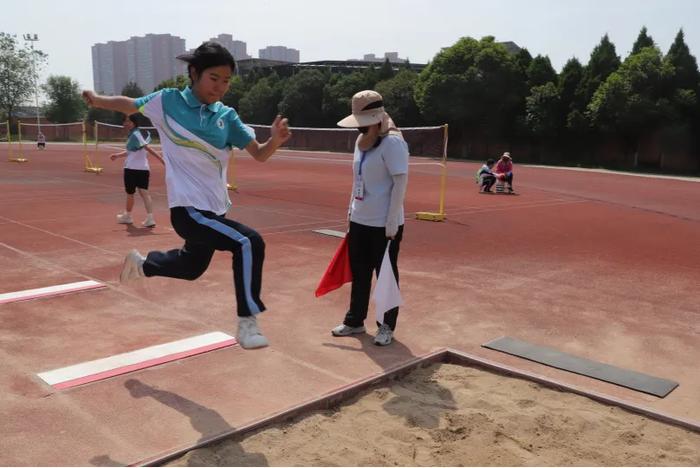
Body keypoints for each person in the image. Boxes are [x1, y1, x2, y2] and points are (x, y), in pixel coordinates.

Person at [82, 42, 291, 349]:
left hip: (214, 210)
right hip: (188, 210)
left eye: (226, 81)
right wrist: (98, 100)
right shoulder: (168, 102)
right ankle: (247, 323)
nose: (220, 87)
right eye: (214, 78)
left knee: (191, 268)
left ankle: (143, 265)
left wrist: (275, 141)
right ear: (194, 73)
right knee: (248, 242)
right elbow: (129, 104)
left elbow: (259, 154)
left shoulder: (227, 116)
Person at [331, 90, 409, 347]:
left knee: (385, 275)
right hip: (360, 219)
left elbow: (400, 181)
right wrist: (350, 209)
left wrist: (391, 220)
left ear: (377, 119)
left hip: (384, 224)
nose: (360, 127)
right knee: (360, 272)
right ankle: (355, 321)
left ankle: (387, 325)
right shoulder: (361, 141)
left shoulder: (393, 143)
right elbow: (358, 179)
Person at [110, 114, 164, 227]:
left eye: (129, 121)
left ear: (134, 123)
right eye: (124, 121)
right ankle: (149, 218)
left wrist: (161, 159)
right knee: (144, 192)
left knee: (130, 193)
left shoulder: (135, 134)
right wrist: (117, 155)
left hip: (132, 169)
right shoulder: (135, 135)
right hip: (143, 169)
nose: (126, 123)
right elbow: (132, 152)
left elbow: (147, 148)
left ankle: (128, 216)